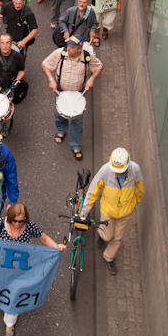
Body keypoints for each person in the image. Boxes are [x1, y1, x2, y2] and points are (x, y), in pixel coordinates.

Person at [0, 202, 65, 336]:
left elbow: (44, 239)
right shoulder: (0, 223)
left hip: (20, 269)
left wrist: (56, 247)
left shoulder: (29, 226)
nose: (17, 224)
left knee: (15, 291)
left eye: (21, 221)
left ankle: (10, 322)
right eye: (14, 221)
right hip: (3, 266)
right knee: (4, 288)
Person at [81, 148, 145, 276]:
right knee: (107, 236)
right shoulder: (105, 170)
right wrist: (85, 211)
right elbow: (93, 191)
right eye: (115, 170)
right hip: (108, 211)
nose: (117, 173)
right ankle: (101, 234)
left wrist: (134, 203)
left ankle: (109, 257)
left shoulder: (135, 169)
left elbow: (140, 188)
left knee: (117, 237)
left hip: (125, 213)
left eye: (120, 171)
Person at [41, 34, 103, 159]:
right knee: (60, 113)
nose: (68, 48)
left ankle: (75, 145)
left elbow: (99, 67)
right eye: (68, 45)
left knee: (77, 119)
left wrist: (92, 79)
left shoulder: (87, 57)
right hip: (61, 91)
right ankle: (61, 130)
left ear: (79, 49)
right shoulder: (60, 53)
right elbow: (45, 64)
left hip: (78, 93)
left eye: (72, 47)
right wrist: (51, 80)